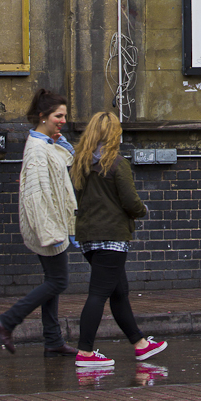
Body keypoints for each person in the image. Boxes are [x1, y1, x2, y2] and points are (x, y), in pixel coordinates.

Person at [70, 111, 168, 368]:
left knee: (119, 292)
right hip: (112, 237)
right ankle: (85, 353)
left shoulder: (81, 164)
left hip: (88, 237)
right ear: (113, 134)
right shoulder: (116, 163)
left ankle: (140, 344)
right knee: (98, 294)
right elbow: (130, 200)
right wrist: (142, 210)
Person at [0, 89, 78, 357]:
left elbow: (67, 160)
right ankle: (7, 321)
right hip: (49, 226)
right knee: (58, 282)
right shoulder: (38, 149)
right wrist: (49, 231)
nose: (63, 120)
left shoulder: (45, 143)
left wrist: (59, 140)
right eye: (58, 116)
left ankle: (53, 340)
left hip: (54, 223)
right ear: (43, 116)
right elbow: (36, 195)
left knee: (53, 280)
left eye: (64, 116)